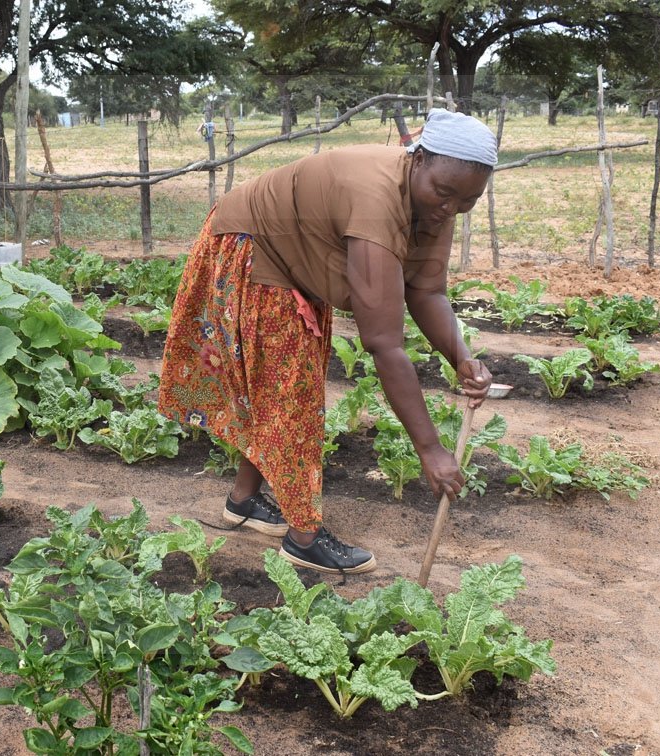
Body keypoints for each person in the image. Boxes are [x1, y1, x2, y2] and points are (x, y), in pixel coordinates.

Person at [158, 109, 496, 575]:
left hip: (296, 256)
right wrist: (431, 450)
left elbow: (427, 290)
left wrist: (462, 358)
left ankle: (244, 500)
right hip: (254, 247)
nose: (451, 208)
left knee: (283, 390)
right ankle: (303, 538)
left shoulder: (437, 202)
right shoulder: (377, 198)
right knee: (291, 395)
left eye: (467, 201)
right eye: (444, 193)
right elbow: (384, 344)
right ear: (418, 160)